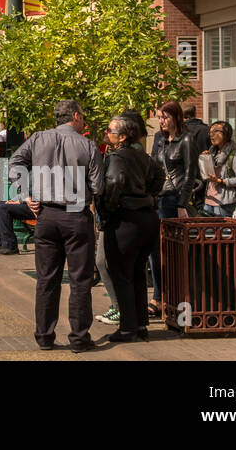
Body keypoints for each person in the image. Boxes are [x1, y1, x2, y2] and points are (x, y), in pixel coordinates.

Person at [8, 100, 103, 353]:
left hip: (46, 215)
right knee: (80, 281)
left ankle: (44, 336)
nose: (83, 120)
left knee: (46, 279)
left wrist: (27, 194)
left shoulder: (38, 139)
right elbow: (98, 186)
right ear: (74, 116)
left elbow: (14, 163)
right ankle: (79, 338)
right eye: (82, 115)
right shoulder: (88, 144)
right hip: (76, 215)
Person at [96, 111, 163, 345]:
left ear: (123, 137)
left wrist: (107, 210)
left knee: (121, 274)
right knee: (136, 273)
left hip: (125, 220)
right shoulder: (143, 156)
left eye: (110, 131)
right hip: (147, 220)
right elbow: (159, 177)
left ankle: (127, 328)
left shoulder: (117, 157)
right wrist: (149, 197)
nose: (107, 134)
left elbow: (113, 183)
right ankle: (140, 324)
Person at [143, 101, 196, 324]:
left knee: (172, 251)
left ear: (176, 117)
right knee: (155, 251)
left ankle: (173, 298)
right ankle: (157, 296)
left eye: (165, 117)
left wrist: (183, 203)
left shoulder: (186, 139)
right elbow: (154, 168)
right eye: (159, 118)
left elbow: (190, 173)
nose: (161, 122)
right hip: (157, 198)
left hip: (174, 199)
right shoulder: (158, 139)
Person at [200, 120, 236, 217]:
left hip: (224, 203)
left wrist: (221, 181)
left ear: (226, 134)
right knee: (208, 231)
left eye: (216, 131)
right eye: (210, 132)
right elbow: (208, 174)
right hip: (209, 200)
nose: (211, 135)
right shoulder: (212, 152)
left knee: (223, 231)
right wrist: (206, 160)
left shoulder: (235, 155)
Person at [182, 103, 211, 169]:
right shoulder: (207, 129)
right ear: (195, 114)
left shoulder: (179, 131)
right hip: (204, 168)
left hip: (184, 169)